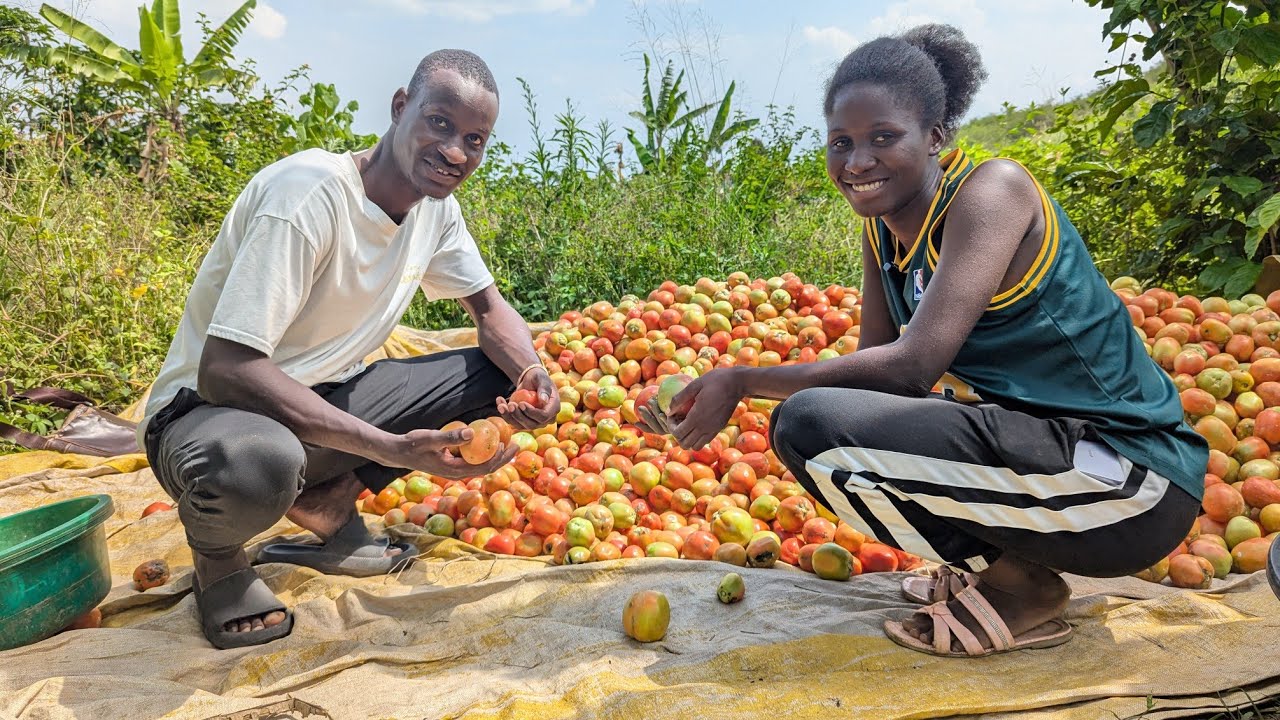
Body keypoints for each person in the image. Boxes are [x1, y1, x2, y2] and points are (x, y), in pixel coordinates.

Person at [655, 25, 1207, 657]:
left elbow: (911, 368)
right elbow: (868, 377)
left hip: (1132, 482)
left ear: (937, 135)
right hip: (1048, 461)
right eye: (842, 143)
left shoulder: (991, 192)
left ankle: (1021, 589)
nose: (857, 162)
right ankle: (1011, 573)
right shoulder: (884, 232)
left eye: (883, 138)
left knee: (809, 422)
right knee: (811, 427)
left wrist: (743, 378)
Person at [138, 49, 559, 649]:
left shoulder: (435, 213)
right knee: (260, 465)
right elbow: (227, 368)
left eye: (475, 139)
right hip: (207, 414)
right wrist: (392, 449)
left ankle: (329, 502)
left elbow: (490, 311)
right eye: (439, 123)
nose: (455, 153)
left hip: (320, 399)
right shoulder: (309, 197)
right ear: (399, 107)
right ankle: (220, 561)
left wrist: (532, 372)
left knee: (494, 379)